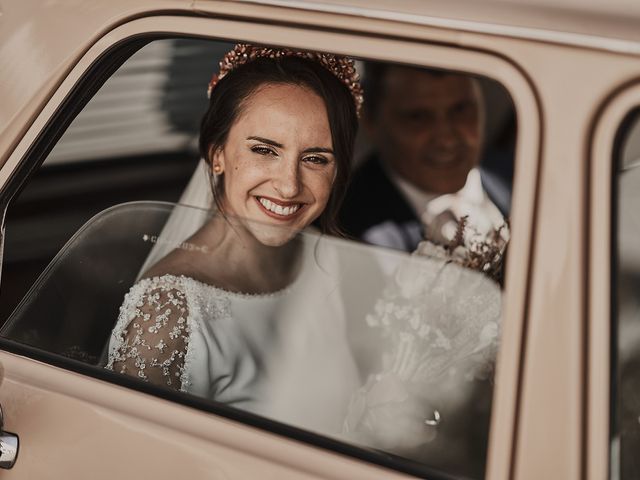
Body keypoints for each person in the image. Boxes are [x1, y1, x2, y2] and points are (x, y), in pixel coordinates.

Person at [105, 44, 364, 434]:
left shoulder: (325, 258)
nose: (289, 185)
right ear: (217, 154)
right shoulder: (169, 312)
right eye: (264, 150)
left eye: (315, 158)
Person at [339, 62, 506, 251]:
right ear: (370, 120)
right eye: (418, 117)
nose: (446, 140)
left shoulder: (520, 175)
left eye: (460, 110)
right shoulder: (346, 231)